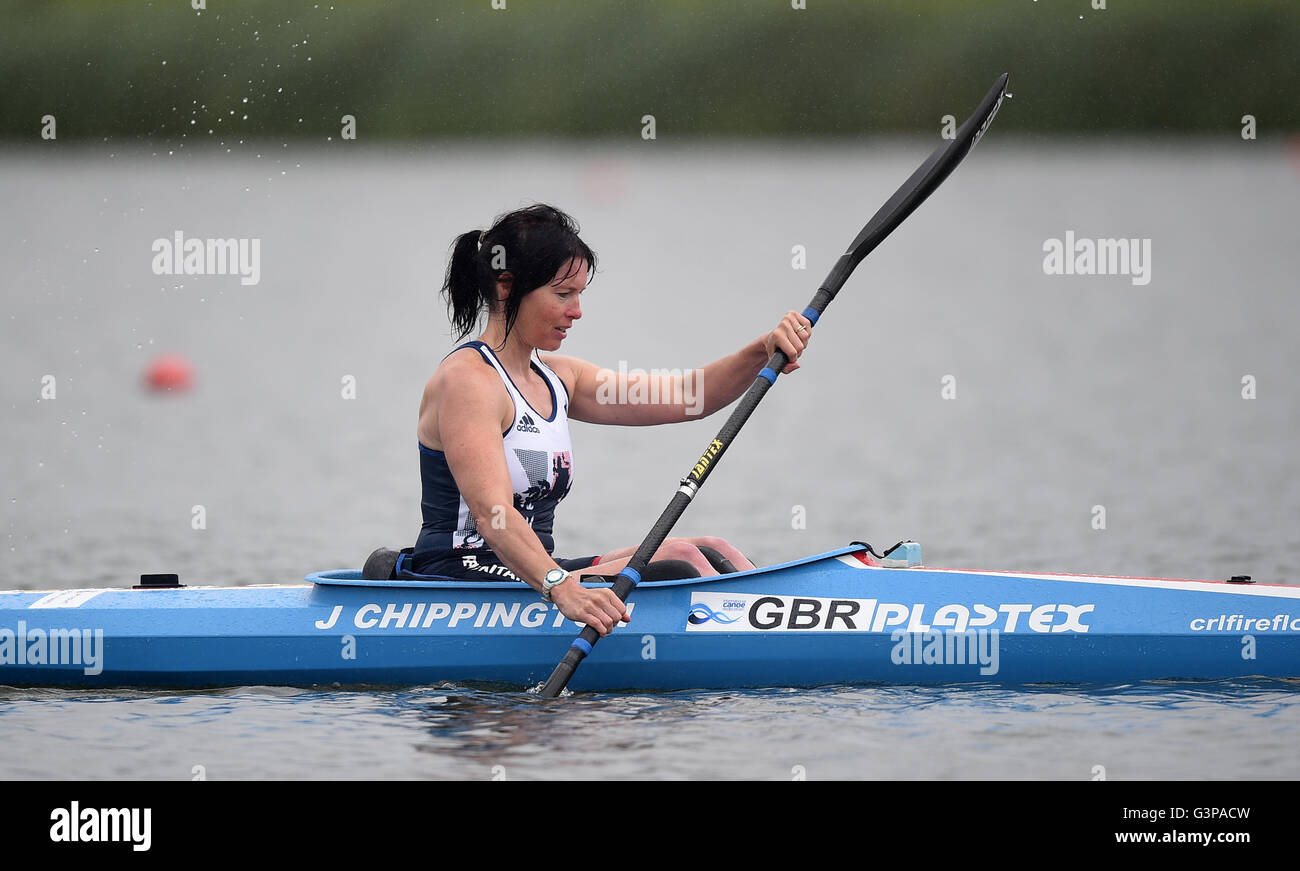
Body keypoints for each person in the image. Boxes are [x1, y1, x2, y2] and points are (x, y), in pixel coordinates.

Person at [409, 204, 812, 636]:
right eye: (563, 295)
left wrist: (762, 349)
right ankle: (764, 649)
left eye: (580, 295)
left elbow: (688, 395)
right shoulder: (468, 383)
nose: (577, 311)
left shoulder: (560, 378)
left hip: (534, 573)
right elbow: (494, 515)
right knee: (681, 561)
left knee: (712, 548)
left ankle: (795, 625)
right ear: (507, 287)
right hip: (459, 579)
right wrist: (560, 587)